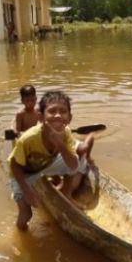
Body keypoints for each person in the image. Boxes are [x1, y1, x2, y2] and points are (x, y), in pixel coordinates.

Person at [9, 91, 89, 230]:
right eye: (52, 111)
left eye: (63, 111)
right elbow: (14, 166)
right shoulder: (28, 138)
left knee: (74, 163)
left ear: (69, 117)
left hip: (45, 164)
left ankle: (66, 192)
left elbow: (73, 166)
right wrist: (27, 191)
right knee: (26, 214)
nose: (58, 115)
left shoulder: (66, 133)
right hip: (24, 173)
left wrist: (59, 144)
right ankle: (19, 234)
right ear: (40, 116)